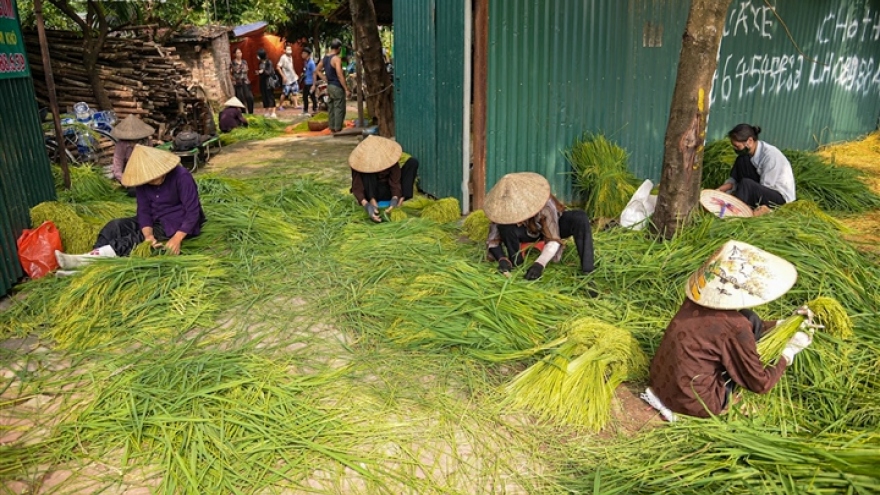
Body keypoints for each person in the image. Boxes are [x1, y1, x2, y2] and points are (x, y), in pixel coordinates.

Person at [644, 240, 815, 421]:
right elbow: (760, 384)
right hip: (694, 401)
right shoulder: (735, 327)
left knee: (750, 317)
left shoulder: (695, 300)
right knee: (742, 363)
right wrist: (787, 354)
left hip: (661, 382)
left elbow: (742, 326)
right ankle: (724, 403)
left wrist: (784, 324)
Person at [54, 146, 206, 272]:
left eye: (153, 177)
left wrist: (177, 238)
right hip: (155, 218)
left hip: (178, 221)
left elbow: (193, 211)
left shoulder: (181, 176)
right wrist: (148, 235)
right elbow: (144, 211)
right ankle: (91, 261)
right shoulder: (143, 181)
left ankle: (87, 262)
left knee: (133, 239)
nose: (150, 182)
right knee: (115, 226)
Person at [483, 172, 594, 280]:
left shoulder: (544, 204)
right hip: (525, 232)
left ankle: (587, 270)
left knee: (580, 217)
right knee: (505, 227)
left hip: (551, 227)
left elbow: (553, 238)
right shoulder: (501, 209)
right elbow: (493, 240)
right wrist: (502, 259)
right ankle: (516, 262)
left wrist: (539, 264)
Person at [717, 124, 796, 216]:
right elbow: (734, 179)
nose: (735, 149)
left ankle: (735, 213)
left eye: (737, 146)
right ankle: (738, 198)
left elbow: (765, 186)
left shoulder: (770, 156)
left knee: (746, 184)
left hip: (779, 196)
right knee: (742, 160)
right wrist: (721, 189)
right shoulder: (749, 154)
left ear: (750, 141)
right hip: (763, 187)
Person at [349, 136, 419, 223]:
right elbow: (357, 188)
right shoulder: (359, 163)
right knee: (367, 172)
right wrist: (367, 206)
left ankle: (400, 200)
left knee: (412, 162)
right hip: (372, 191)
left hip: (388, 189)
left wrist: (395, 198)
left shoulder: (390, 159)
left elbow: (395, 182)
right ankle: (373, 201)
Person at [110, 115, 155, 194]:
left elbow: (151, 160)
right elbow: (117, 167)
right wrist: (125, 180)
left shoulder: (147, 141)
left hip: (145, 171)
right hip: (130, 174)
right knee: (134, 191)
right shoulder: (121, 145)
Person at [314, 39, 349, 133]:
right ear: (339, 48)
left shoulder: (325, 58)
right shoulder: (336, 59)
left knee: (331, 107)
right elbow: (339, 74)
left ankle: (332, 127)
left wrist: (325, 78)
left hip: (329, 86)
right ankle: (338, 129)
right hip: (337, 86)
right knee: (339, 107)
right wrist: (346, 88)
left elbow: (317, 70)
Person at [230, 48, 254, 114]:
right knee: (241, 99)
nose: (239, 54)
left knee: (250, 97)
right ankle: (243, 113)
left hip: (246, 82)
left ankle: (251, 113)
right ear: (234, 54)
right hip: (238, 83)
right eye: (238, 53)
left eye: (240, 52)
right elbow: (230, 74)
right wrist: (234, 80)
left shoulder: (244, 62)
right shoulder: (233, 63)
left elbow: (247, 70)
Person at [276, 45, 299, 112]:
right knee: (284, 92)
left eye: (290, 51)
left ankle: (296, 104)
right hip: (287, 78)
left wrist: (295, 74)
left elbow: (292, 67)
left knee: (295, 91)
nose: (289, 53)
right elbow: (278, 67)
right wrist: (283, 76)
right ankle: (280, 105)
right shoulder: (283, 57)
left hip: (293, 77)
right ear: (284, 51)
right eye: (288, 51)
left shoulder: (291, 57)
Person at [256, 48, 277, 119]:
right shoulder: (260, 63)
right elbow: (260, 71)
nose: (257, 56)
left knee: (270, 96)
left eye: (258, 55)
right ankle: (267, 111)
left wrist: (263, 71)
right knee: (264, 97)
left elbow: (269, 72)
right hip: (262, 82)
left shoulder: (268, 62)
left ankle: (273, 112)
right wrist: (258, 72)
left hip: (269, 82)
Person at [300, 46, 318, 115]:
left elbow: (314, 74)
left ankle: (315, 109)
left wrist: (314, 85)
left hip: (310, 83)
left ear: (307, 54)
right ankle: (305, 110)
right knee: (305, 97)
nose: (302, 54)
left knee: (312, 97)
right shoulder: (306, 62)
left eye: (304, 53)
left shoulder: (311, 63)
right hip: (306, 82)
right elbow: (306, 71)